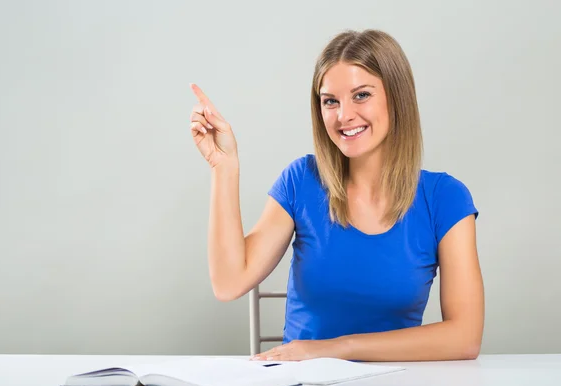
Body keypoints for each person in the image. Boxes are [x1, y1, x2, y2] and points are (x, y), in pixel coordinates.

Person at [188, 29, 484, 362]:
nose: (344, 116)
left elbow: (465, 337)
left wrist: (336, 349)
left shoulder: (445, 199)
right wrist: (224, 167)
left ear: (396, 97)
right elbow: (228, 283)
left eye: (361, 95)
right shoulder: (302, 180)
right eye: (331, 101)